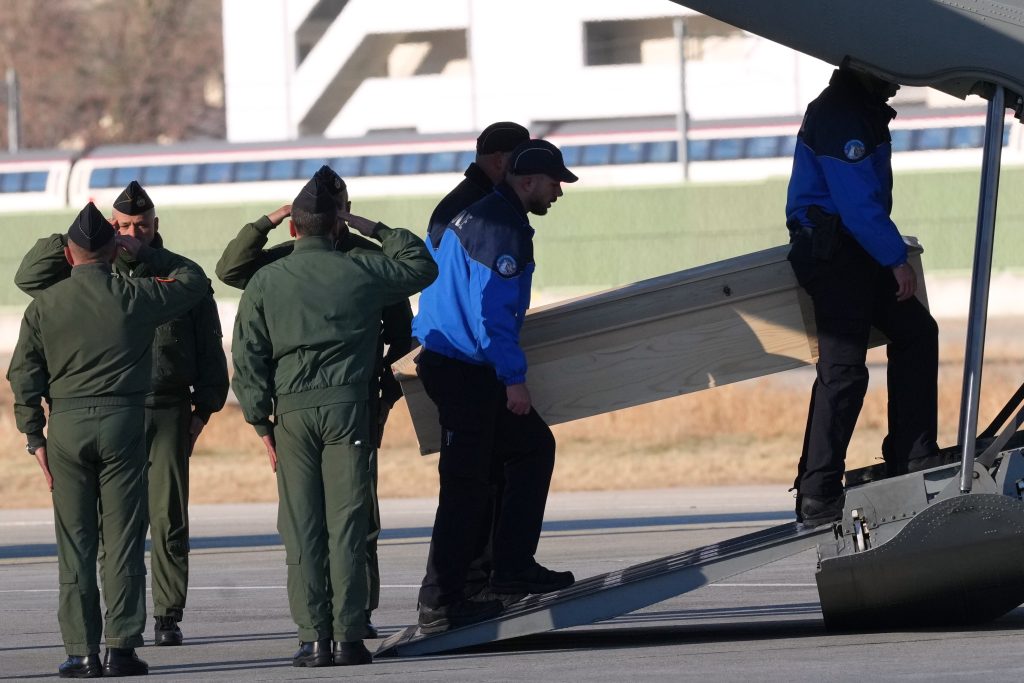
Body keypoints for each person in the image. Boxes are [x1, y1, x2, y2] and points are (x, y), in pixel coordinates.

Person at [231, 170, 436, 667]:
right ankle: (349, 636)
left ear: (293, 230)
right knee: (348, 521)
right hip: (350, 407)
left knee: (302, 526)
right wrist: (374, 226)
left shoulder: (265, 279)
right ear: (337, 223)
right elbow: (421, 266)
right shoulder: (364, 269)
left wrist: (262, 424)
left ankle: (312, 638)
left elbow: (248, 358)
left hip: (292, 414)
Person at [14, 181, 230, 647]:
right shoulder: (106, 283)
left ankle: (166, 614)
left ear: (156, 227)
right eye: (125, 226)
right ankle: (117, 632)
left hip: (167, 407)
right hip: (119, 411)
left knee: (167, 516)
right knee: (114, 526)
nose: (135, 233)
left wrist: (204, 411)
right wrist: (86, 235)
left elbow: (208, 345)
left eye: (144, 226)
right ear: (114, 229)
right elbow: (29, 277)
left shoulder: (166, 275)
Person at [412, 139, 579, 634]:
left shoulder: (481, 213)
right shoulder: (502, 227)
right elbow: (493, 314)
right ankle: (441, 601)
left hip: (456, 361)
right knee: (467, 486)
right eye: (554, 183)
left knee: (525, 450)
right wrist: (514, 380)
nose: (558, 192)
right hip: (464, 368)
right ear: (528, 182)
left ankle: (507, 570)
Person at [786, 64, 939, 527]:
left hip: (856, 249)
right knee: (845, 372)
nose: (898, 81)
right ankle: (818, 490)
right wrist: (894, 257)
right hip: (833, 254)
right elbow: (855, 201)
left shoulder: (862, 109)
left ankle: (912, 456)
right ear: (868, 71)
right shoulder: (841, 115)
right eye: (891, 74)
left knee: (916, 332)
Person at [427, 121, 530, 246]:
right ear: (499, 161)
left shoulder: (458, 201)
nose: (528, 167)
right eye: (521, 159)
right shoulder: (488, 207)